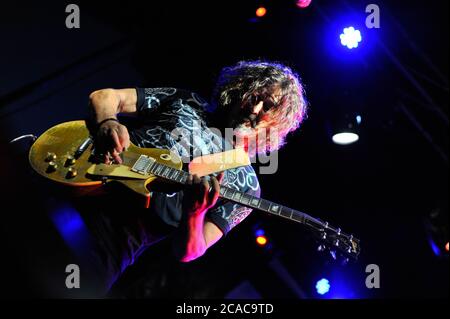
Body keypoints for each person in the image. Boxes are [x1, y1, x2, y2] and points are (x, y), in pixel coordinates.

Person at [75, 60, 307, 297]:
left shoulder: (246, 185)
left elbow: (190, 251)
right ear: (239, 89)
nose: (255, 109)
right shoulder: (186, 101)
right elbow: (104, 96)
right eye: (254, 96)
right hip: (74, 185)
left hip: (107, 242)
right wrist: (108, 121)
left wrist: (194, 213)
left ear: (278, 123)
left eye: (267, 106)